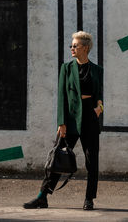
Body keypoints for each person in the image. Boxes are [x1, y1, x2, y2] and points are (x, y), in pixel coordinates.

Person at [23, 31, 103, 210]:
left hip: (90, 119)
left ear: (86, 48)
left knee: (92, 162)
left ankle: (89, 198)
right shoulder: (66, 68)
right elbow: (62, 96)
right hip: (71, 119)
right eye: (71, 45)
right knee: (57, 158)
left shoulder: (97, 70)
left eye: (75, 45)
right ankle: (42, 196)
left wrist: (100, 108)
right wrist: (61, 122)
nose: (72, 48)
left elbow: (100, 95)